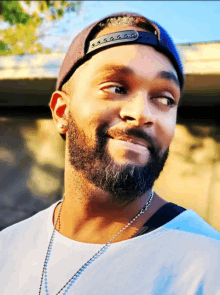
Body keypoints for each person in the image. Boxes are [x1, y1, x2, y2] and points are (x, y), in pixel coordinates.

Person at [0, 12, 220, 295]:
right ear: (61, 111)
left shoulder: (207, 266)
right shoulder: (9, 247)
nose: (141, 114)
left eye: (165, 99)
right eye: (117, 87)